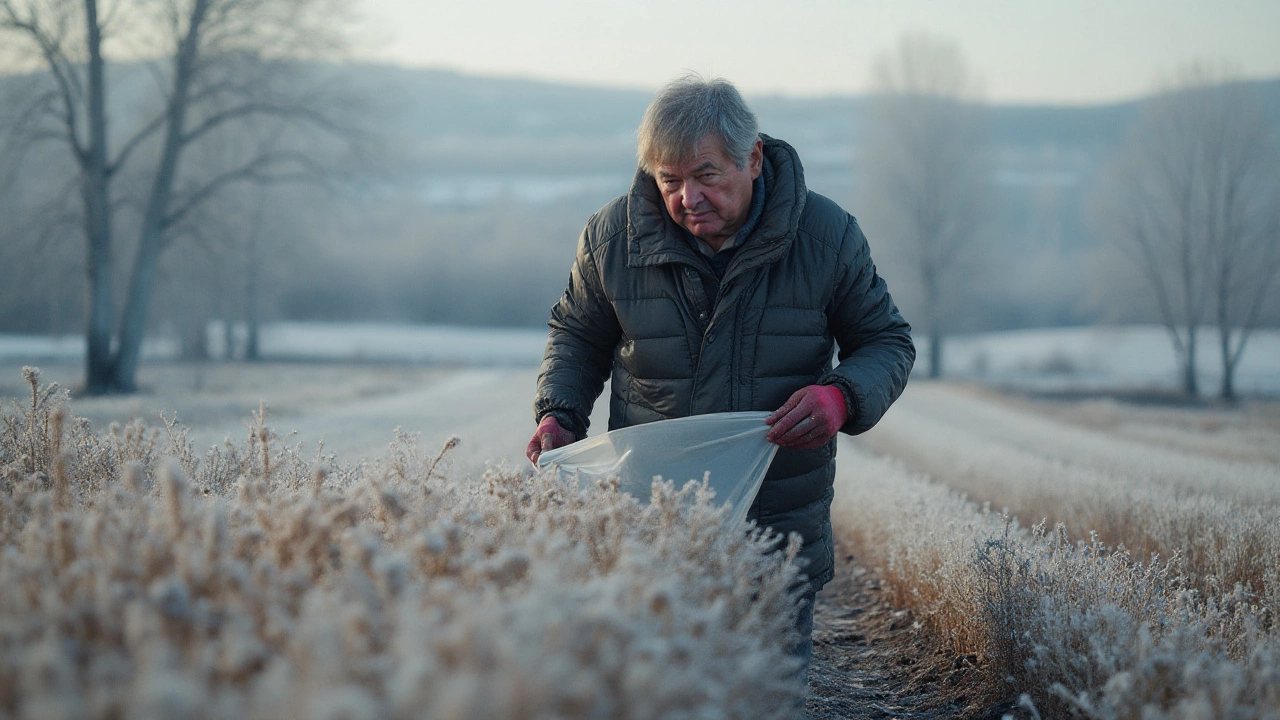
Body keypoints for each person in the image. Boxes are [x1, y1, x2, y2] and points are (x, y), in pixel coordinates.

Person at [526, 74, 915, 686]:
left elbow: (886, 341)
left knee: (767, 694)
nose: (688, 198)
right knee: (656, 691)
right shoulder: (610, 239)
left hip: (778, 524)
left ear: (753, 157)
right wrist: (560, 412)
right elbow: (576, 334)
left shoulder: (827, 237)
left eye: (707, 176)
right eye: (669, 180)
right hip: (651, 522)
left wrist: (840, 397)